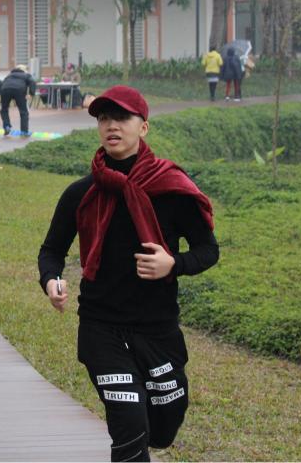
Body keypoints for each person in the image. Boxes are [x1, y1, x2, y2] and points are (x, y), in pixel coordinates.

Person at [37, 86, 218, 462]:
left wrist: (174, 263)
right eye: (104, 118)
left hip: (158, 329)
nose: (111, 126)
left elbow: (208, 250)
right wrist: (51, 280)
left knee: (163, 427)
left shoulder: (172, 189)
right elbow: (51, 251)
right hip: (101, 328)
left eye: (121, 118)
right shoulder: (82, 193)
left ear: (144, 127)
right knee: (130, 424)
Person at [0, 64, 36, 137]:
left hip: (5, 90)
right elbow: (32, 82)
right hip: (19, 91)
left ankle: (6, 126)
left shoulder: (9, 75)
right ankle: (24, 131)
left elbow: (1, 84)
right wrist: (31, 93)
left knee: (4, 109)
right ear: (24, 70)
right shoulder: (26, 75)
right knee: (23, 111)